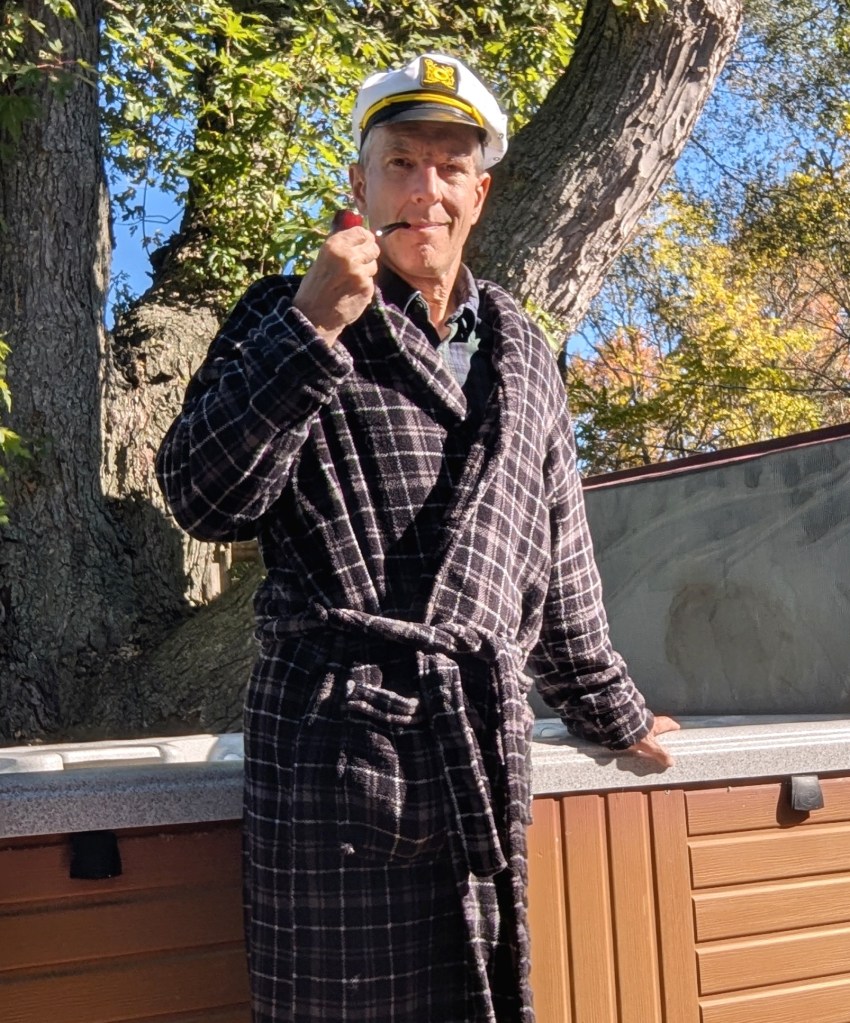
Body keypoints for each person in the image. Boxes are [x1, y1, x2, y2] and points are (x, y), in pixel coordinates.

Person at [156, 51, 677, 1023]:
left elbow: (559, 565)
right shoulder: (281, 313)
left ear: (480, 193)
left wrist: (615, 711)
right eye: (400, 163)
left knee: (477, 997)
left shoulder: (523, 351)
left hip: (477, 746)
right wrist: (312, 330)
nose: (425, 190)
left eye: (449, 167)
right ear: (358, 187)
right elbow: (202, 499)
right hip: (332, 759)